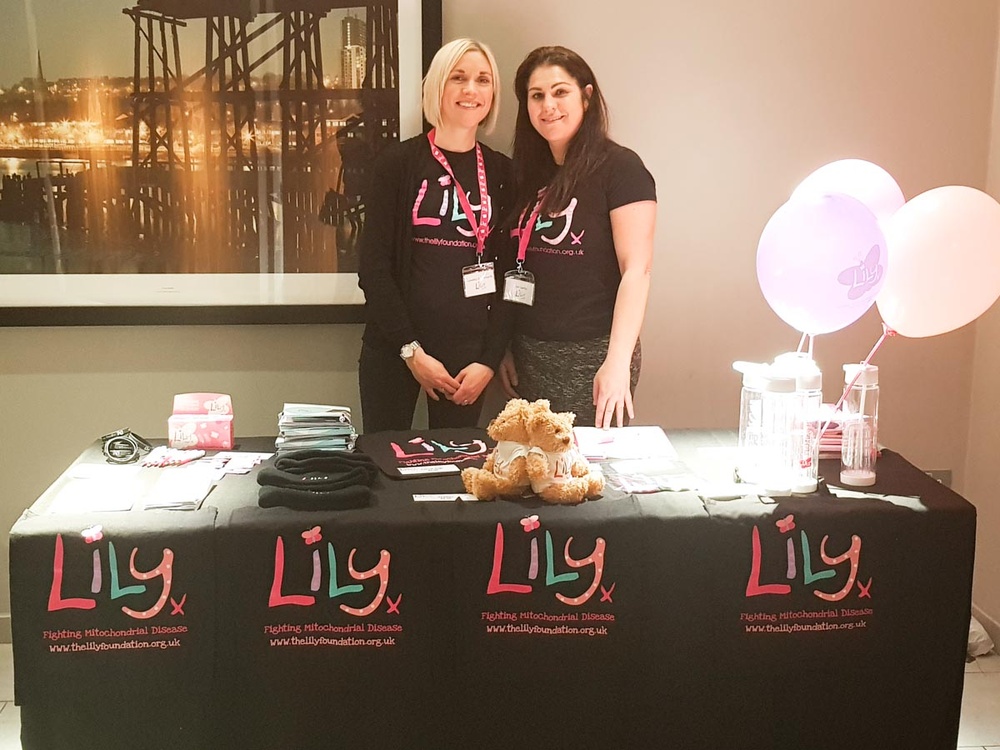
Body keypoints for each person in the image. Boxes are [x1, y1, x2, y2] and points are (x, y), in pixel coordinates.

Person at [358, 38, 512, 432]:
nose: (470, 90)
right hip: (395, 348)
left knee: (456, 476)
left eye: (483, 80)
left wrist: (489, 360)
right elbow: (373, 267)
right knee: (386, 467)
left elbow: (513, 274)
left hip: (468, 359)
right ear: (436, 88)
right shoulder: (396, 164)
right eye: (457, 78)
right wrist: (411, 351)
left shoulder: (503, 173)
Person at [499, 45, 657, 428]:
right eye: (536, 96)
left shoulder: (621, 168)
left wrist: (616, 364)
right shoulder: (527, 172)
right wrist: (502, 347)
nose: (547, 105)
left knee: (588, 478)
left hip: (594, 354)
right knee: (535, 473)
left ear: (586, 96)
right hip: (529, 353)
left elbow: (637, 270)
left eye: (560, 92)